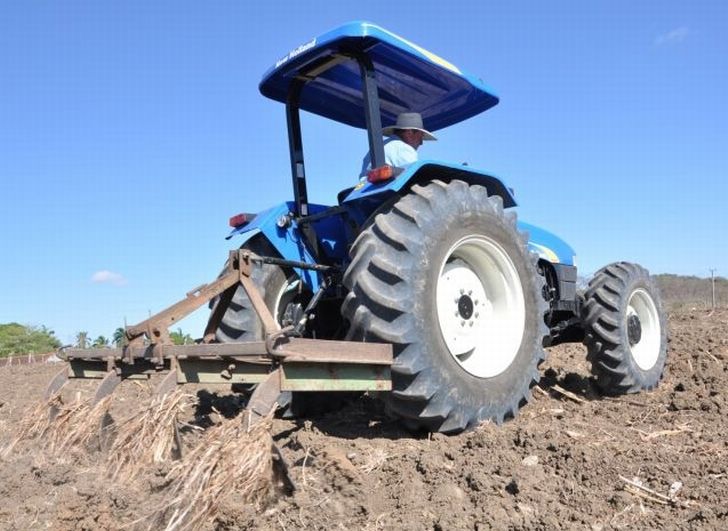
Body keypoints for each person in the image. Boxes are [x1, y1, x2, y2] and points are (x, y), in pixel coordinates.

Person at [359, 112, 437, 177]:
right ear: (409, 133)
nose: (421, 143)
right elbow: (414, 176)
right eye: (420, 137)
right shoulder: (403, 148)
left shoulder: (379, 148)